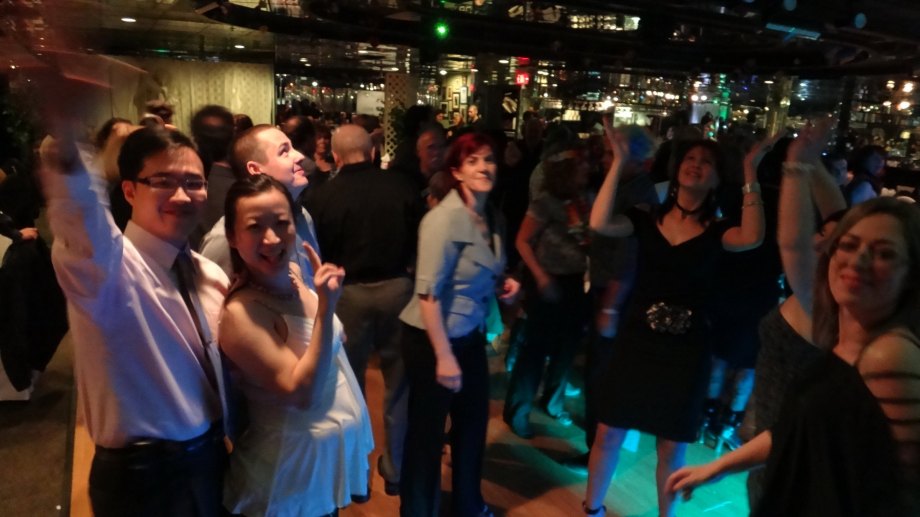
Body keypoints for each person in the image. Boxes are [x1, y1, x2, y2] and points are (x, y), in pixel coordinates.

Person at [667, 124, 920, 516]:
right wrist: (718, 467)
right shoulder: (844, 329)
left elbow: (908, 489)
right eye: (848, 245)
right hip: (788, 484)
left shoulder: (889, 352)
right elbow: (799, 427)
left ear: (911, 273)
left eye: (885, 253)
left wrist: (799, 166)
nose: (858, 260)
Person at [583, 115, 769, 517]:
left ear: (716, 179)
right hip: (637, 340)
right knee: (608, 431)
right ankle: (592, 509)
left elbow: (753, 237)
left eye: (707, 162)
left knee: (671, 445)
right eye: (690, 158)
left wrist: (750, 170)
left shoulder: (719, 230)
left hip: (686, 350)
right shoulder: (646, 217)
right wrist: (618, 161)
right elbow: (598, 222)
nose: (696, 165)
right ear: (677, 167)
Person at [40, 124, 230, 516]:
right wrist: (68, 128)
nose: (182, 195)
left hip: (212, 459)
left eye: (194, 182)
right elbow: (78, 210)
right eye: (163, 181)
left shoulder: (210, 274)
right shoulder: (107, 268)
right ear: (129, 191)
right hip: (145, 480)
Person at [219, 175, 373, 516]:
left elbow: (332, 343)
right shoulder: (241, 313)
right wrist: (327, 308)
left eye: (281, 222)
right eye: (255, 227)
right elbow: (301, 394)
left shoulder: (294, 275)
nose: (272, 238)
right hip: (285, 474)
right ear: (232, 236)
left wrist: (326, 302)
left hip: (319, 464)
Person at [398, 133, 520, 517]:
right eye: (472, 161)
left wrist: (503, 284)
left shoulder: (493, 216)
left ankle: (468, 505)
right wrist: (444, 356)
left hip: (469, 335)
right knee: (427, 435)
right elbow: (428, 294)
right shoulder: (443, 219)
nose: (483, 167)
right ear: (456, 171)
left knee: (472, 425)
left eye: (489, 159)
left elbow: (476, 272)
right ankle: (418, 511)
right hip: (431, 339)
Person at [310, 124, 425, 496]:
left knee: (349, 385)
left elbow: (318, 252)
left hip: (348, 294)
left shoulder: (322, 196)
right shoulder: (402, 186)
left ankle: (356, 476)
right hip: (398, 290)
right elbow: (418, 239)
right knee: (399, 385)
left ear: (336, 157)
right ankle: (396, 469)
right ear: (373, 152)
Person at [503, 142, 592, 438]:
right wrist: (540, 276)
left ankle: (552, 402)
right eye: (581, 165)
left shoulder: (584, 199)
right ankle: (517, 412)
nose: (587, 168)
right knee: (535, 351)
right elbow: (522, 241)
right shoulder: (545, 202)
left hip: (576, 281)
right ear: (566, 170)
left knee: (567, 348)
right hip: (548, 281)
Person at [199, 124, 320, 288]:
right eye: (284, 151)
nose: (299, 156)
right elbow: (211, 298)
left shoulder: (302, 215)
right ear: (256, 169)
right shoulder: (224, 239)